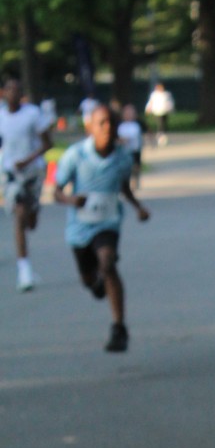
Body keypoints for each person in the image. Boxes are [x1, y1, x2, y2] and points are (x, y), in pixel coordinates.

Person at [53, 103, 151, 352]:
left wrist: (138, 207)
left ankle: (119, 328)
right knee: (89, 279)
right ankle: (95, 283)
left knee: (108, 262)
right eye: (102, 123)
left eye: (112, 123)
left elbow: (123, 187)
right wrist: (71, 200)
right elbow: (56, 191)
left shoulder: (123, 157)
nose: (107, 128)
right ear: (90, 127)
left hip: (108, 223)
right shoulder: (76, 155)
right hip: (79, 228)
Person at [0, 75, 52, 291]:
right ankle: (24, 271)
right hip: (11, 173)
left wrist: (28, 160)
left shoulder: (33, 114)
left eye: (17, 89)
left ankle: (34, 212)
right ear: (3, 93)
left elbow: (48, 143)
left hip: (33, 171)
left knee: (31, 221)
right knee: (19, 214)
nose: (13, 93)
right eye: (9, 89)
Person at [118, 103, 143, 184]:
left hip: (134, 150)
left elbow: (133, 136)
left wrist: (124, 140)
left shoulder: (135, 126)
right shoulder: (121, 126)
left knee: (135, 166)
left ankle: (135, 179)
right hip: (124, 151)